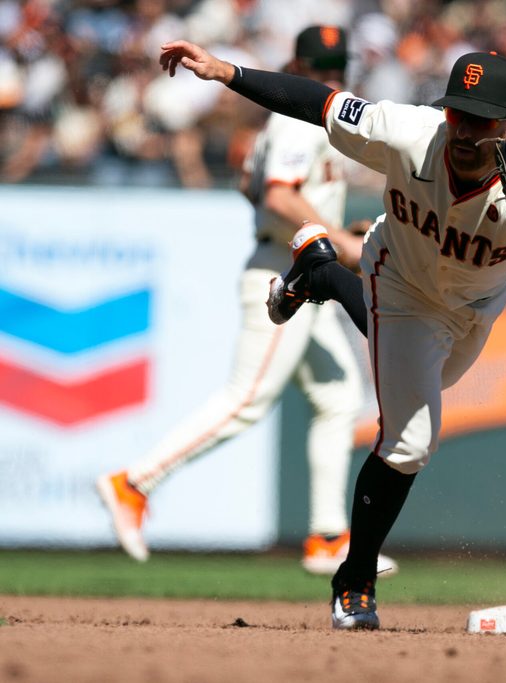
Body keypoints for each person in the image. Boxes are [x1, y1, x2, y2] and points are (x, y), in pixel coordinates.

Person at [157, 40, 506, 630]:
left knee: (433, 382)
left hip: (473, 308)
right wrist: (228, 72)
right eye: (458, 111)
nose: (463, 129)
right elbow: (318, 102)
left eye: (480, 120)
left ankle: (323, 271)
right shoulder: (407, 131)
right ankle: (353, 582)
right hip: (398, 280)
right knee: (409, 440)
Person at [96, 26, 396, 578]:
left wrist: (327, 227)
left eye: (335, 67)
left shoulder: (282, 119)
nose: (333, 76)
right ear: (307, 65)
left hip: (302, 264)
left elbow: (249, 186)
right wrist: (341, 239)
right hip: (285, 274)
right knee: (247, 398)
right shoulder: (296, 118)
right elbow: (279, 193)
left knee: (337, 396)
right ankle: (135, 482)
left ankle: (329, 537)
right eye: (327, 68)